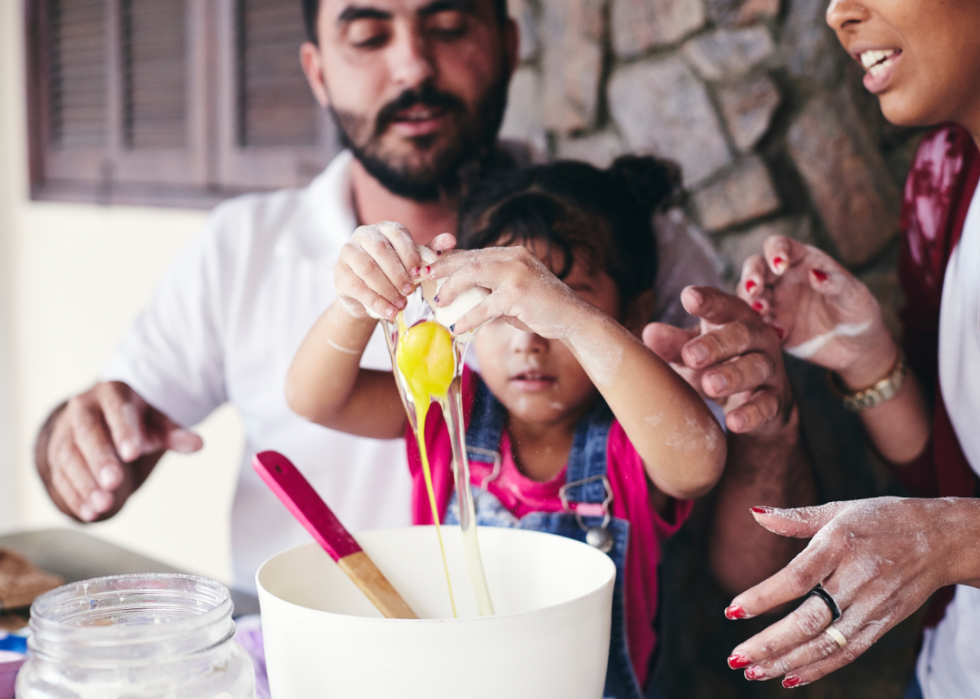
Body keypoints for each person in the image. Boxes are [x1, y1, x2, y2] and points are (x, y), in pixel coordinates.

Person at [32, 0, 808, 598]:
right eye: (369, 37)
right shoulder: (240, 246)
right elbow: (299, 397)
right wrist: (80, 443)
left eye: (444, 24)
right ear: (316, 69)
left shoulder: (626, 236)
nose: (412, 68)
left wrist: (571, 310)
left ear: (508, 44)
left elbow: (710, 491)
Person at [286, 156, 727, 698]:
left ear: (629, 313)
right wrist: (359, 301)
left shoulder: (631, 438)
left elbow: (699, 461)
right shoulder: (450, 407)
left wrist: (572, 318)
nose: (528, 338)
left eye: (564, 301)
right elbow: (314, 400)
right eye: (497, 306)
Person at [719, 0, 980, 694]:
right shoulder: (944, 176)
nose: (838, 15)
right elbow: (945, 482)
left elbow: (951, 519)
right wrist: (868, 358)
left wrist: (953, 539)